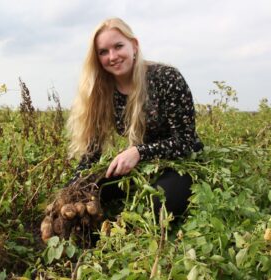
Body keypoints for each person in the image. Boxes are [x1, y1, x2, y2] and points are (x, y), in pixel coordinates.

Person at [66, 17, 203, 217]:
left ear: (134, 46)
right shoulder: (102, 91)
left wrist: (138, 152)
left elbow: (185, 141)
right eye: (103, 52)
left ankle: (125, 235)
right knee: (90, 190)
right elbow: (92, 152)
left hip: (180, 163)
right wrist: (71, 189)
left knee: (159, 204)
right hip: (142, 166)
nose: (112, 56)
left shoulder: (167, 78)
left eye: (118, 46)